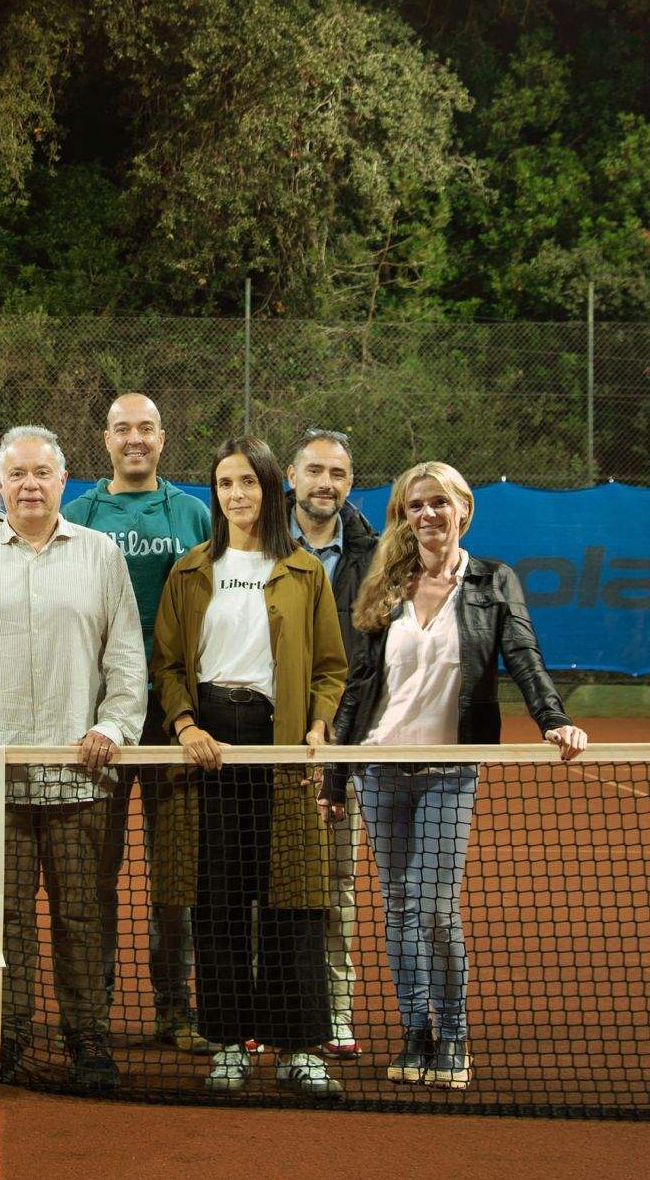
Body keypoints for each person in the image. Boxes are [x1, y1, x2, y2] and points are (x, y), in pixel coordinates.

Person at [320, 462, 587, 1091]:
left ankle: (456, 1033)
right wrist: (337, 776)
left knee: (432, 906)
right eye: (416, 506)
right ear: (403, 517)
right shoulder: (385, 583)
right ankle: (416, 1032)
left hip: (450, 770)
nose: (429, 515)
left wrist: (553, 718)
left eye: (440, 503)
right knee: (396, 905)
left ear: (463, 509)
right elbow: (361, 689)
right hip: (378, 770)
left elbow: (522, 652)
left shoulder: (493, 581)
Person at [0, 425, 147, 1089]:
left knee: (83, 915)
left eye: (41, 473)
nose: (28, 485)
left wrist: (113, 725)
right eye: (16, 474)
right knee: (6, 916)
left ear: (63, 479)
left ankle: (88, 1037)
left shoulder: (102, 556)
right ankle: (8, 1034)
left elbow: (126, 660)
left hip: (82, 781)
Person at [152, 436, 348, 1098]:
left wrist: (317, 725)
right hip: (211, 743)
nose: (237, 494)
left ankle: (299, 1048)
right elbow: (170, 666)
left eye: (249, 482)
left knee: (295, 902)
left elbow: (330, 667)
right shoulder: (189, 571)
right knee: (221, 903)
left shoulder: (304, 571)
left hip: (282, 744)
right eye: (226, 482)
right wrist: (185, 724)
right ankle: (230, 1042)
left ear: (270, 488)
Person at [63, 392, 212, 1054]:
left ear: (161, 436)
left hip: (174, 717)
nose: (134, 439)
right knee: (93, 872)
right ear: (105, 439)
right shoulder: (80, 514)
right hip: (96, 721)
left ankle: (174, 1009)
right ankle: (90, 1009)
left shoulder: (193, 513)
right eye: (122, 428)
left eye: (145, 427)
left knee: (174, 874)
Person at [284, 427, 378, 1062]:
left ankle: (337, 1012)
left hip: (344, 745)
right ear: (290, 476)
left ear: (349, 482)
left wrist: (337, 731)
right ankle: (268, 1009)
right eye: (314, 471)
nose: (325, 483)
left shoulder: (375, 554)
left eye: (338, 474)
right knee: (268, 879)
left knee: (337, 881)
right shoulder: (253, 545)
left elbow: (372, 657)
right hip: (268, 740)